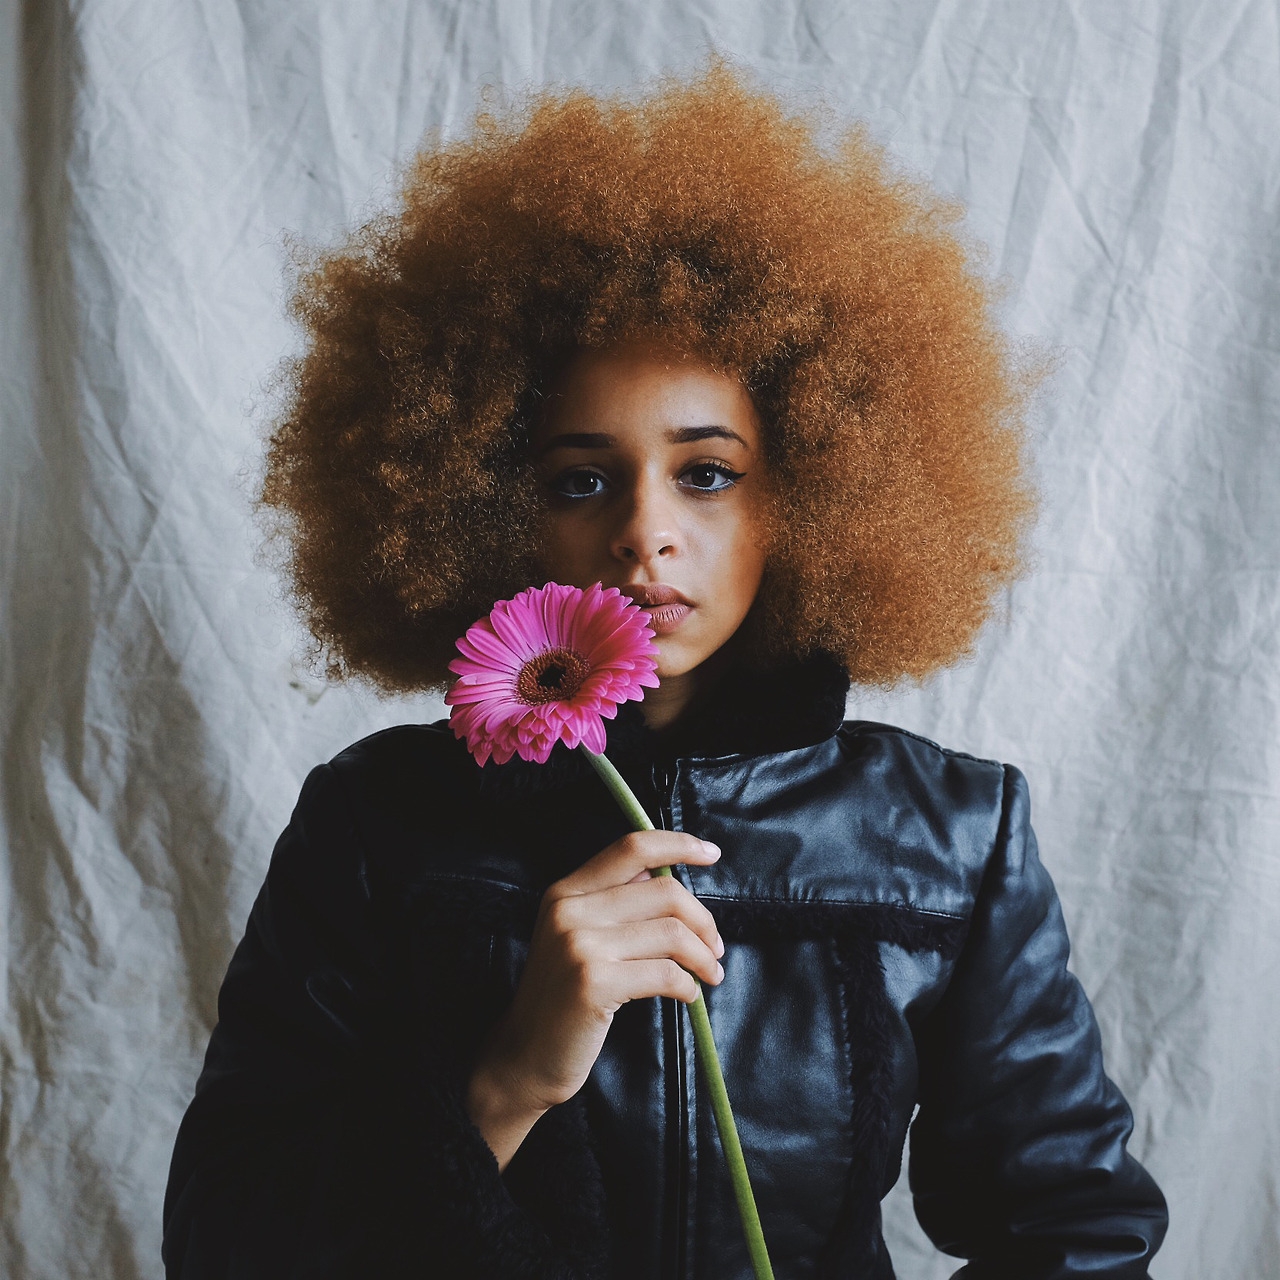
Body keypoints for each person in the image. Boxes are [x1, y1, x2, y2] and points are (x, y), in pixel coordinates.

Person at [162, 64, 1168, 1278]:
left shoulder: (950, 834)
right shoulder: (376, 821)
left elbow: (1073, 1233)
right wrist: (507, 1076)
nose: (645, 531)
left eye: (705, 471)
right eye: (580, 479)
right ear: (489, 507)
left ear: (802, 494)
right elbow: (227, 1241)